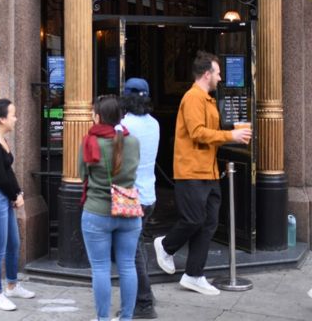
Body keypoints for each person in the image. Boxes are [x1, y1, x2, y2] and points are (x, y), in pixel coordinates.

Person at [153, 51, 252, 295]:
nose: (220, 78)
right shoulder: (193, 98)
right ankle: (165, 246)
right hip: (191, 171)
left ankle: (194, 274)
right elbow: (198, 132)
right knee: (195, 219)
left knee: (208, 223)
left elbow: (207, 133)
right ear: (207, 74)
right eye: (218, 73)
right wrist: (231, 135)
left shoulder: (205, 99)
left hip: (208, 171)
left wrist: (232, 133)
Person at [79, 95, 142, 321]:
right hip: (128, 211)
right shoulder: (132, 141)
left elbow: (81, 174)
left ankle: (103, 318)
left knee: (100, 269)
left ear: (98, 116)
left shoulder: (90, 141)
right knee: (127, 266)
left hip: (97, 211)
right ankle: (126, 317)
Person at [0, 98, 35, 311]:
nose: (16, 118)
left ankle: (12, 284)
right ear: (2, 119)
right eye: (12, 114)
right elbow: (0, 178)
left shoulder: (0, 139)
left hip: (4, 196)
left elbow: (8, 173)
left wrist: (18, 192)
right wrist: (15, 195)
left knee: (14, 243)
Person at [120, 78, 160, 319]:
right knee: (138, 247)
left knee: (131, 254)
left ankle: (144, 303)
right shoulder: (154, 124)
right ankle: (145, 295)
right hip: (149, 195)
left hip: (130, 197)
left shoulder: (123, 127)